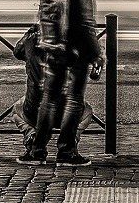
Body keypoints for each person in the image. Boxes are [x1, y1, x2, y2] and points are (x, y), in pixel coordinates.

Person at [19, 0, 104, 167]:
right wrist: (97, 53)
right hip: (76, 46)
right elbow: (87, 20)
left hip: (52, 43)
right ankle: (66, 151)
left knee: (49, 97)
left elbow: (40, 10)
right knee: (74, 99)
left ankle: (37, 150)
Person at [11, 25, 93, 154]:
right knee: (87, 110)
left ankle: (31, 136)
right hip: (65, 114)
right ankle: (70, 143)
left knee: (17, 109)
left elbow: (17, 52)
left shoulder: (31, 39)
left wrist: (32, 32)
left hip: (34, 112)